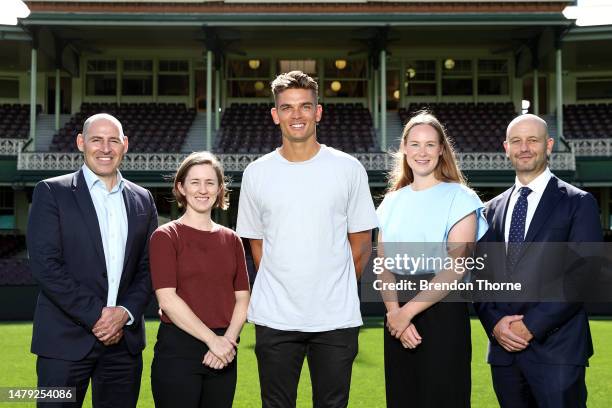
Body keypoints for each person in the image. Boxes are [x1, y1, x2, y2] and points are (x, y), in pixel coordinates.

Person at [236, 70, 378, 408]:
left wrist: (332, 287)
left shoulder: (348, 168)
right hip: (275, 317)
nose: (296, 115)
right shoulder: (256, 173)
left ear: (318, 111)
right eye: (287, 107)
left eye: (304, 106)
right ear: (275, 115)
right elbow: (258, 247)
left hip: (335, 318)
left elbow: (361, 245)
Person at [27, 113, 158, 407]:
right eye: (96, 140)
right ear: (81, 143)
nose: (105, 148)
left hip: (123, 347)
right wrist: (97, 317)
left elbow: (148, 268)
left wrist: (124, 312)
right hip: (62, 345)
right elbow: (45, 265)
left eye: (113, 140)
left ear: (125, 145)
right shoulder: (51, 192)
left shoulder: (143, 199)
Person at [474, 114, 602, 408]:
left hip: (557, 352)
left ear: (549, 145)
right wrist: (495, 325)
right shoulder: (489, 210)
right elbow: (481, 278)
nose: (524, 148)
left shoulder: (578, 202)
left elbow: (584, 276)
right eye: (516, 141)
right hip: (504, 352)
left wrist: (530, 325)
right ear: (506, 148)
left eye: (533, 140)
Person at [376, 111, 488, 408]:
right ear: (404, 148)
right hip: (396, 313)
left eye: (429, 144)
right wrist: (394, 314)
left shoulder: (461, 197)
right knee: (403, 397)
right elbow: (383, 267)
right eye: (414, 144)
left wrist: (405, 314)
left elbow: (456, 268)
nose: (421, 152)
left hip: (442, 314)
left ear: (441, 149)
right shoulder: (390, 201)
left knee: (443, 396)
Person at [149, 151, 250, 408]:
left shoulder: (232, 239)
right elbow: (168, 300)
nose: (202, 190)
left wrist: (227, 341)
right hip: (179, 351)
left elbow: (243, 299)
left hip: (224, 353)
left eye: (210, 182)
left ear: (219, 189)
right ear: (181, 187)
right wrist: (213, 341)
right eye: (194, 182)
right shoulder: (165, 236)